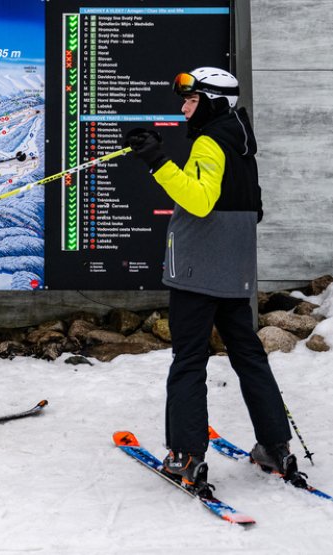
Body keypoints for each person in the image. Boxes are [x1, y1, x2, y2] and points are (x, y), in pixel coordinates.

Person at [125, 67, 299, 489]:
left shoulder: (208, 142)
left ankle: (185, 456)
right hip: (234, 274)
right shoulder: (242, 145)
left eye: (191, 99)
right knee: (249, 357)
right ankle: (276, 446)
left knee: (188, 360)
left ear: (212, 102)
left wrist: (156, 161)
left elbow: (200, 201)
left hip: (195, 273)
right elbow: (252, 209)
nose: (184, 107)